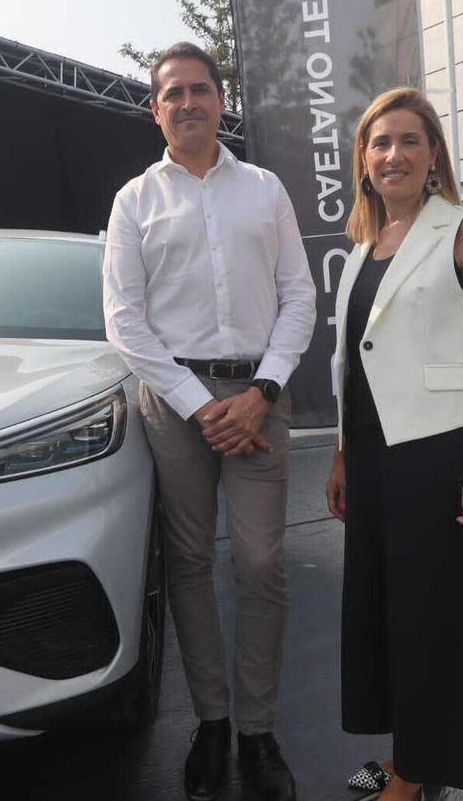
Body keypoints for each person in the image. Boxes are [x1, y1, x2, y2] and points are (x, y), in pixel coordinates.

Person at [103, 42, 315, 801]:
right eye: (173, 93)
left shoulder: (265, 188)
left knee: (261, 565)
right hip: (173, 402)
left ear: (221, 100)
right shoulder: (135, 201)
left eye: (200, 89)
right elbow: (125, 323)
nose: (188, 103)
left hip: (261, 396)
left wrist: (260, 390)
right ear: (155, 109)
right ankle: (213, 722)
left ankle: (259, 733)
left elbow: (300, 296)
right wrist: (201, 407)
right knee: (188, 565)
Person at [324, 88, 463, 800]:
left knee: (432, 617)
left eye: (408, 140)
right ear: (363, 161)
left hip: (438, 451)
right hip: (371, 455)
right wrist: (342, 453)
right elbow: (354, 357)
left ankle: (414, 774)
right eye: (379, 143)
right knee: (385, 612)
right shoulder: (366, 243)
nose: (392, 154)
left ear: (433, 154)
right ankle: (408, 755)